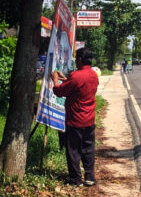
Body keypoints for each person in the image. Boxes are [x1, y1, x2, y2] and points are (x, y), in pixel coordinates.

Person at [51, 48, 99, 187]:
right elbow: (80, 89)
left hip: (75, 120)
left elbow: (59, 91)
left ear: (79, 60)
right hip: (89, 119)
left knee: (73, 151)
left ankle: (76, 180)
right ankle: (89, 177)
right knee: (88, 149)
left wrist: (55, 80)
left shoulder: (76, 76)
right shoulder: (93, 75)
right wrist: (66, 79)